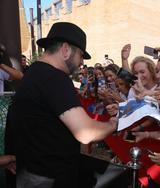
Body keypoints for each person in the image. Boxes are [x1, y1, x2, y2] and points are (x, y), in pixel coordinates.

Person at [10, 22, 117, 188]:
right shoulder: (55, 78)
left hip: (31, 171)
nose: (82, 62)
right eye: (81, 55)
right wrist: (113, 124)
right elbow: (86, 133)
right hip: (47, 177)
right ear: (66, 50)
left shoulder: (33, 73)